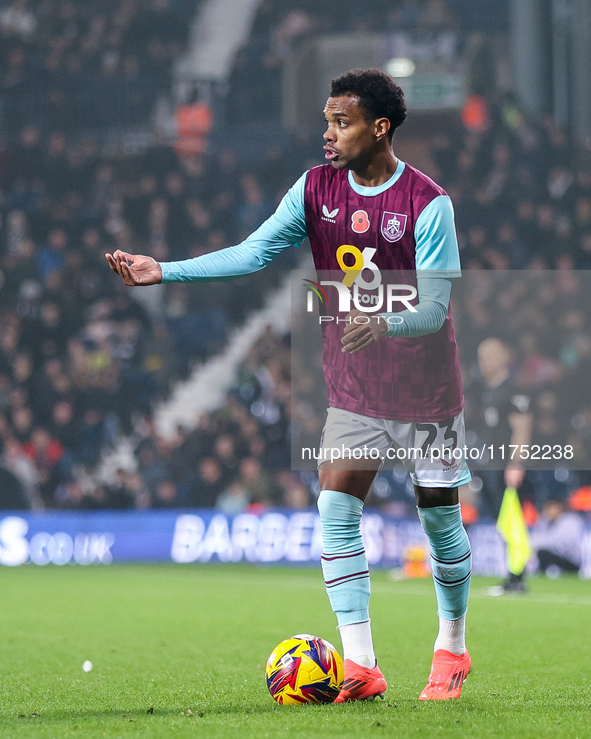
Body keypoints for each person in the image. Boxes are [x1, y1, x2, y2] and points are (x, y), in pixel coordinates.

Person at [107, 68, 472, 702]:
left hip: (425, 387)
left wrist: (382, 318)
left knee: (439, 520)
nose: (327, 134)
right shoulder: (313, 189)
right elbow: (252, 253)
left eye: (342, 122)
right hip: (356, 385)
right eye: (327, 121)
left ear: (379, 128)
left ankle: (452, 647)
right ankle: (361, 664)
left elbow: (437, 308)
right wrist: (161, 271)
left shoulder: (427, 203)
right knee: (334, 512)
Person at [467, 337, 533, 593]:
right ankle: (513, 575)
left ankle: (517, 576)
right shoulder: (486, 391)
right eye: (482, 356)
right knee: (502, 520)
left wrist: (516, 462)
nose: (485, 362)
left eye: (491, 356)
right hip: (489, 465)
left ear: (506, 356)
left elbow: (522, 427)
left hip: (505, 466)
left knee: (511, 519)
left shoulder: (513, 391)